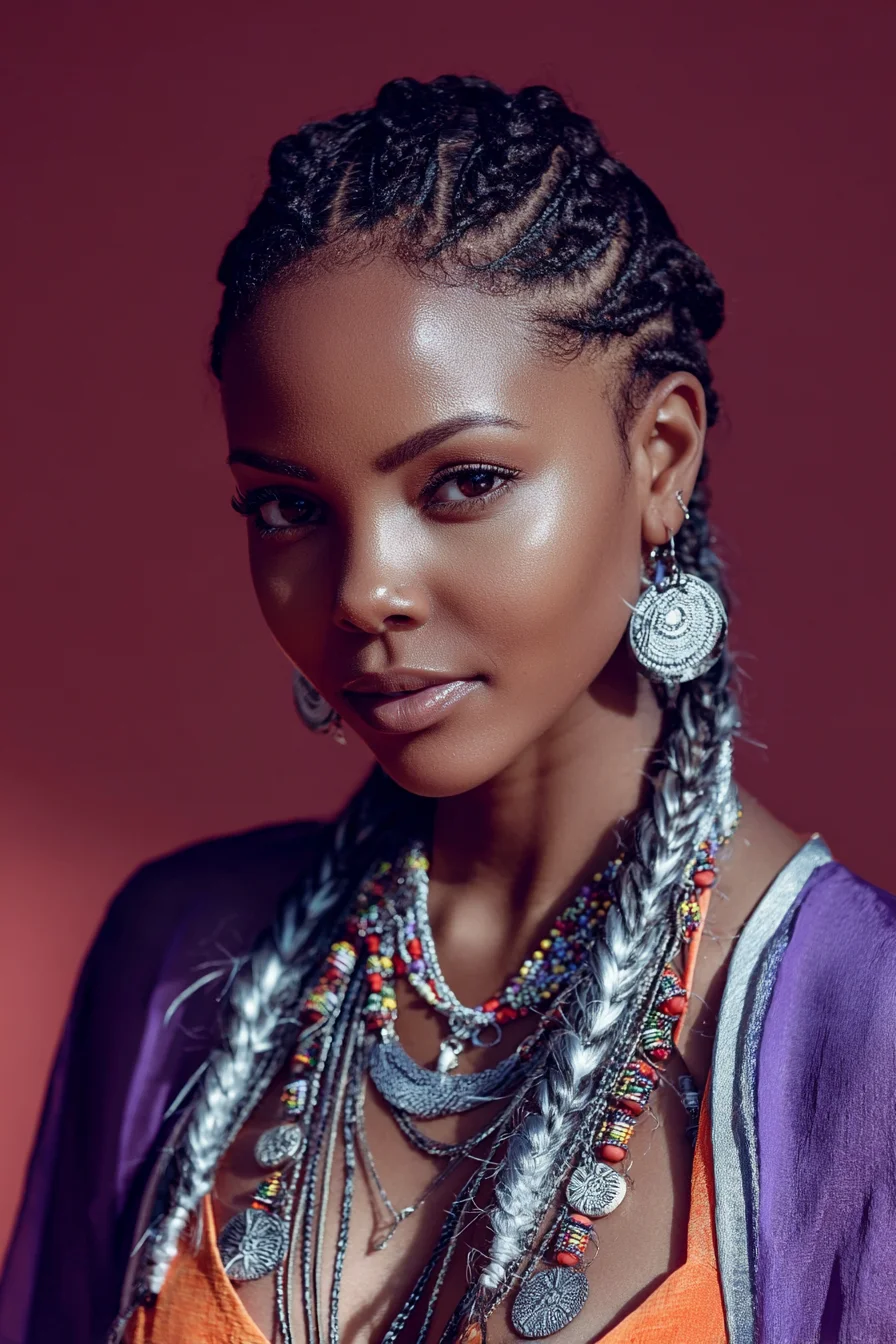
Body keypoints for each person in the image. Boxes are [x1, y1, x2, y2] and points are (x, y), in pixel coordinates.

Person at [2, 73, 895, 1344]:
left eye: (462, 481)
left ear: (661, 457)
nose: (363, 590)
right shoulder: (173, 962)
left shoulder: (860, 1044)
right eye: (286, 506)